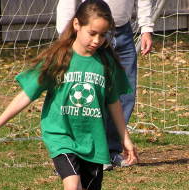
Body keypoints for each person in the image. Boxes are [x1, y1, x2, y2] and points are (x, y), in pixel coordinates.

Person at [0, 0, 138, 190]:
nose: (97, 40)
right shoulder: (59, 58)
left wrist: (125, 137)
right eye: (91, 33)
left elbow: (114, 102)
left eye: (102, 34)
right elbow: (27, 95)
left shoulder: (105, 62)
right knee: (71, 185)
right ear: (76, 25)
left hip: (92, 138)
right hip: (60, 133)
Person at [57, 0, 154, 170]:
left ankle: (110, 151)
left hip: (123, 31)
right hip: (88, 33)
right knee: (87, 95)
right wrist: (65, 35)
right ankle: (74, 153)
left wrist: (146, 28)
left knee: (124, 93)